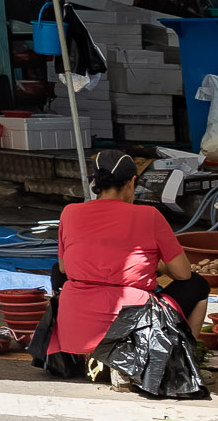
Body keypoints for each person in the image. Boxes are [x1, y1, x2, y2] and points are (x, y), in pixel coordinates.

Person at [47, 149, 203, 387]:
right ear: (132, 182)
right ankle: (182, 360)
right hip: (130, 316)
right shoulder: (149, 215)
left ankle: (81, 351)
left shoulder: (70, 212)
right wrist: (158, 266)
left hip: (79, 317)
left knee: (59, 274)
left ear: (95, 183)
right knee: (198, 285)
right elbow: (183, 273)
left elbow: (64, 266)